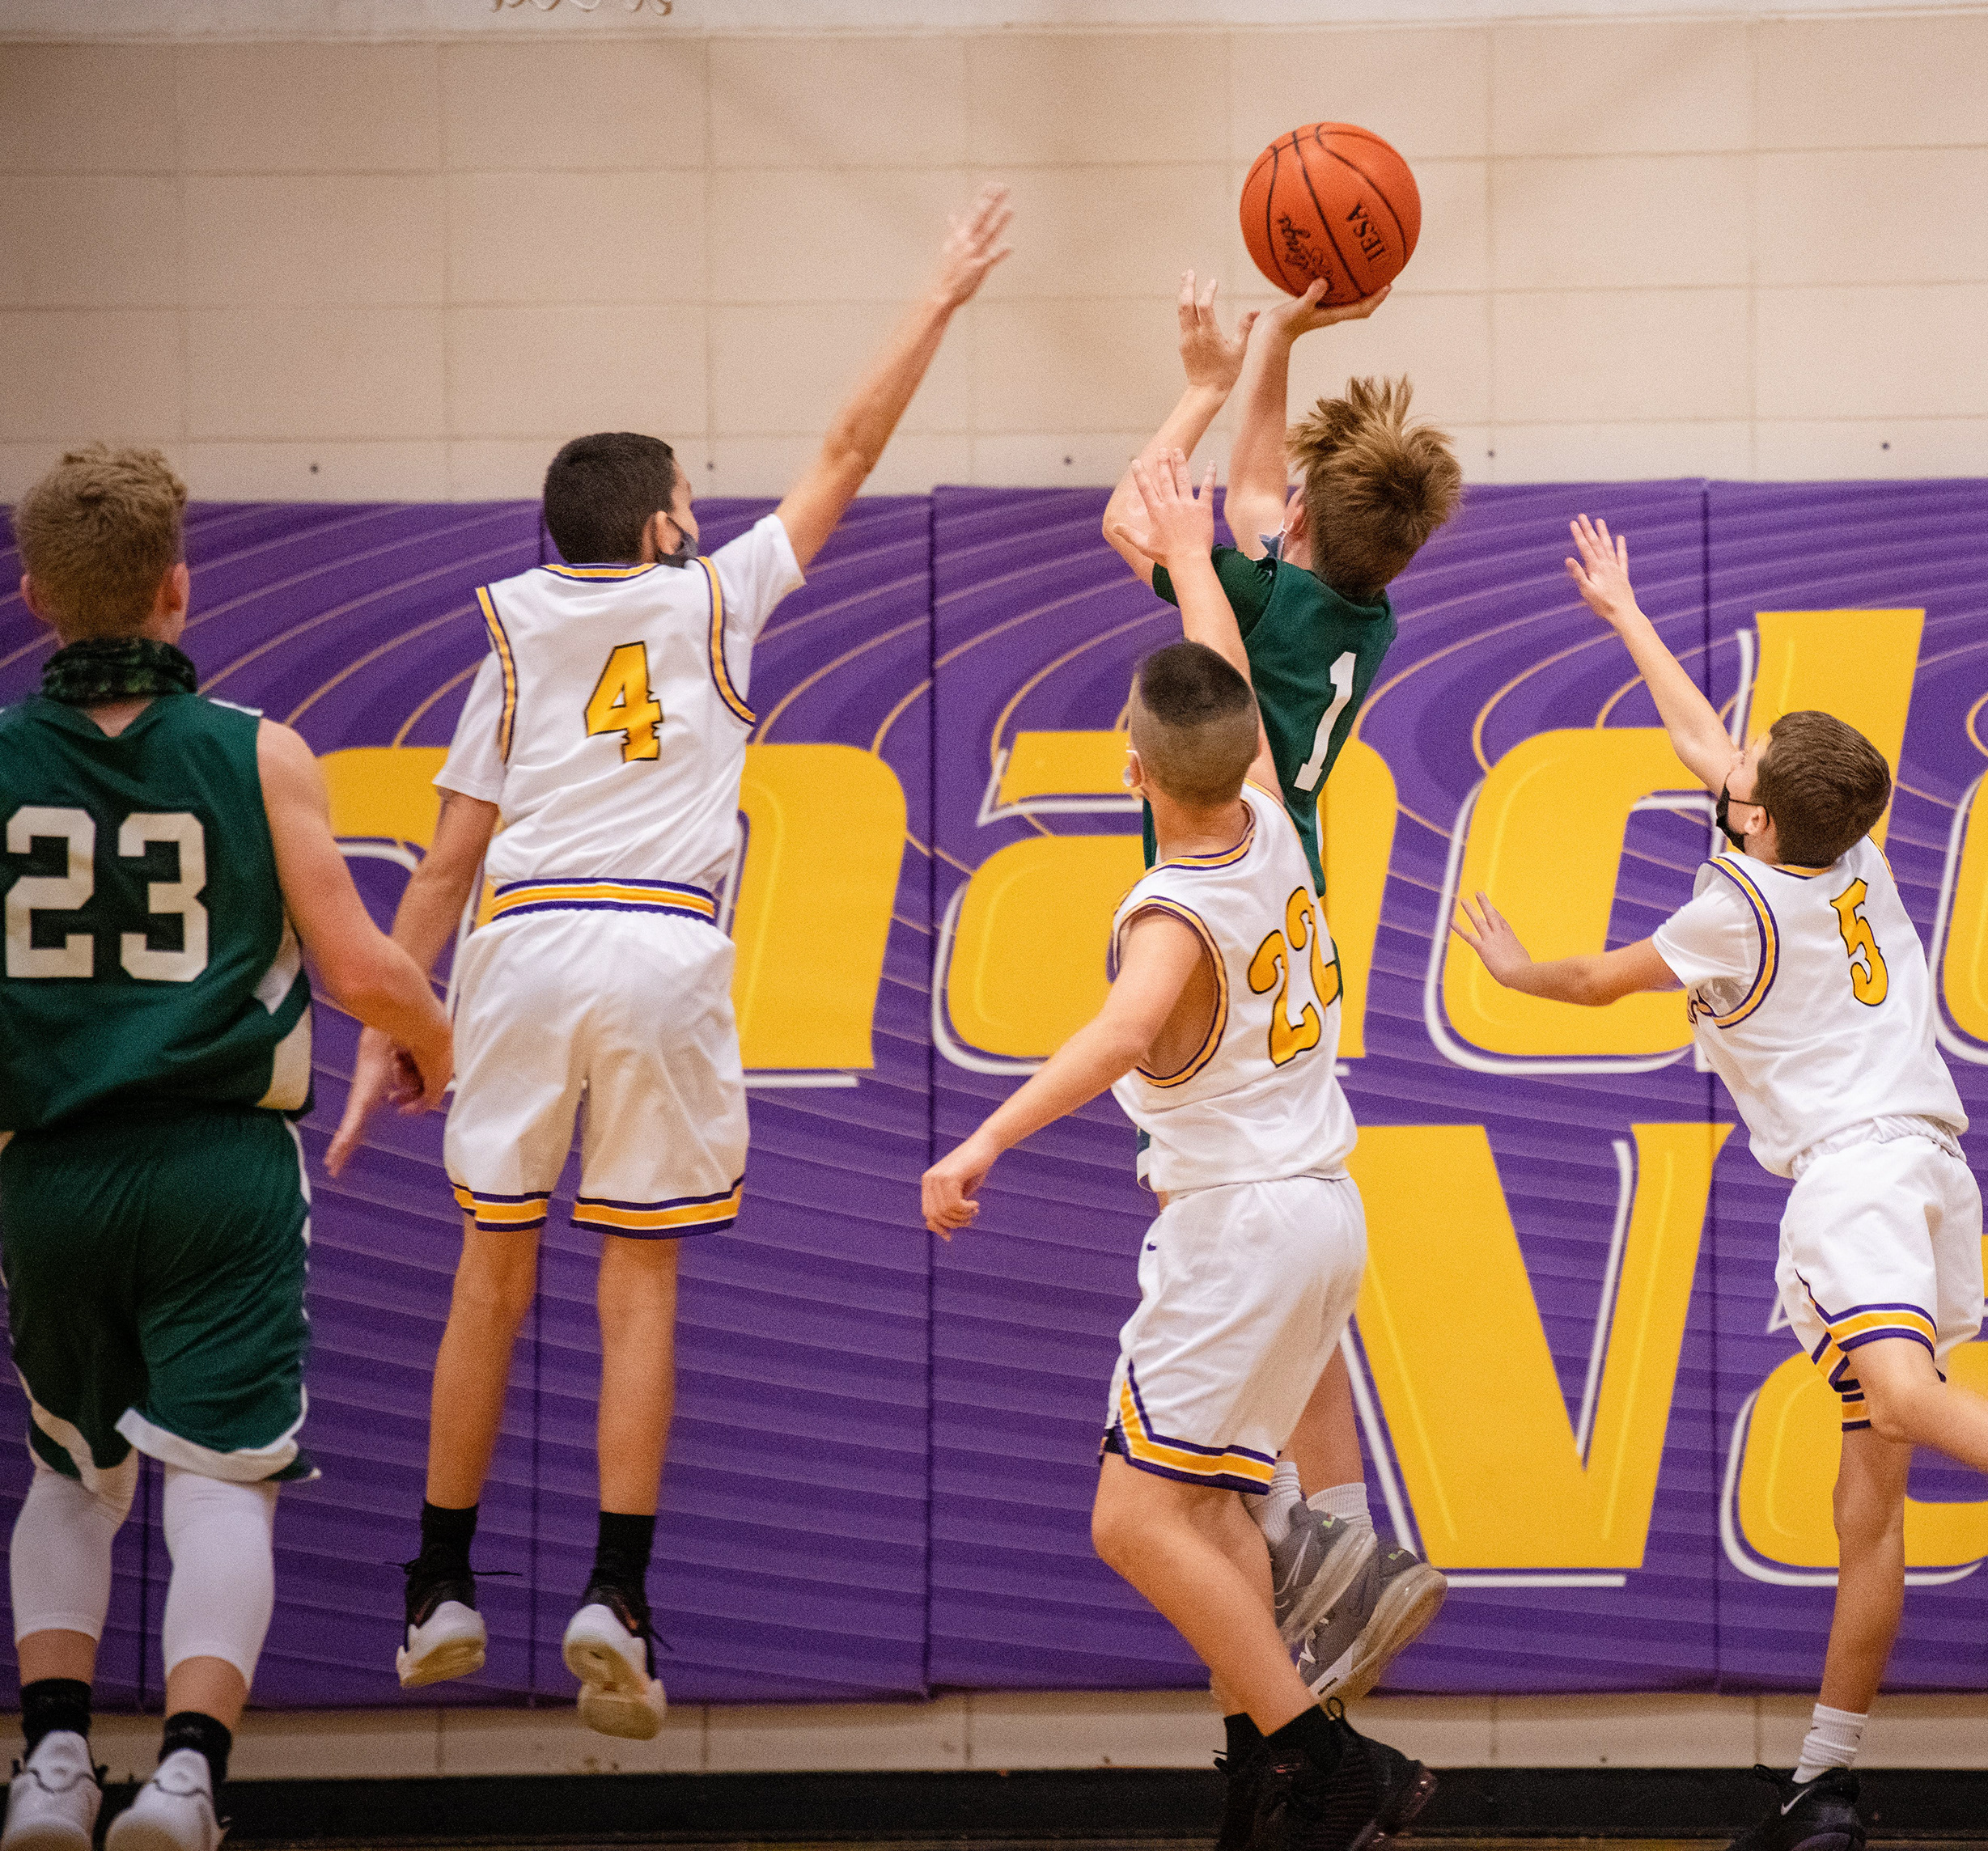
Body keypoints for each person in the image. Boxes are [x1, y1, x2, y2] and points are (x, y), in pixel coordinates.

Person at [325, 188, 1011, 1739]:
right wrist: (938, 298)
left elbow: (438, 867)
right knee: (637, 1285)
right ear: (658, 528)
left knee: (490, 1274)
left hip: (515, 946)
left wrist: (389, 1023)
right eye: (691, 500)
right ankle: (615, 1599)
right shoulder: (714, 597)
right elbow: (847, 449)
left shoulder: (511, 637)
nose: (703, 516)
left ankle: (439, 1585)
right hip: (656, 945)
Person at [1448, 515, 1988, 1851]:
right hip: (1937, 1167)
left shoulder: (1738, 909)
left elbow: (1595, 982)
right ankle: (1823, 1784)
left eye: (1750, 764)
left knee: (1900, 1396)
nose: (1733, 757)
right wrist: (1628, 614)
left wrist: (1510, 967)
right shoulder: (1852, 853)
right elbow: (1705, 746)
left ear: (1760, 817)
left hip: (1855, 1173)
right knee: (1865, 1506)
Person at [926, 457, 1435, 1851]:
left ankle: (1332, 1762)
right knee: (1214, 1515)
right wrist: (1196, 558)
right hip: (1320, 1212)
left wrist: (979, 1141)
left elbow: (1114, 1039)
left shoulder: (1171, 908)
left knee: (1131, 1521)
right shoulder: (1271, 815)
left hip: (1237, 1233)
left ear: (1132, 771)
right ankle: (1282, 1754)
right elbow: (1224, 664)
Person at [2, 447, 452, 1851]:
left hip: (50, 1172)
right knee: (219, 1481)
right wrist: (433, 1037)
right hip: (218, 1169)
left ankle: (51, 1771)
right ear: (180, 588)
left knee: (70, 1475)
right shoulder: (259, 750)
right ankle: (187, 1780)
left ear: (35, 595)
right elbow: (358, 967)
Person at [1100, 271, 1463, 1710]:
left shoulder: (1250, 591)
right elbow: (1257, 491)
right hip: (1297, 906)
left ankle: (1311, 1552)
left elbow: (1136, 515)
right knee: (1288, 1188)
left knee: (1233, 1188)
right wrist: (1273, 348)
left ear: (1297, 524)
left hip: (1241, 892)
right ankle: (1341, 1528)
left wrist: (1199, 393)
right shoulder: (1364, 615)